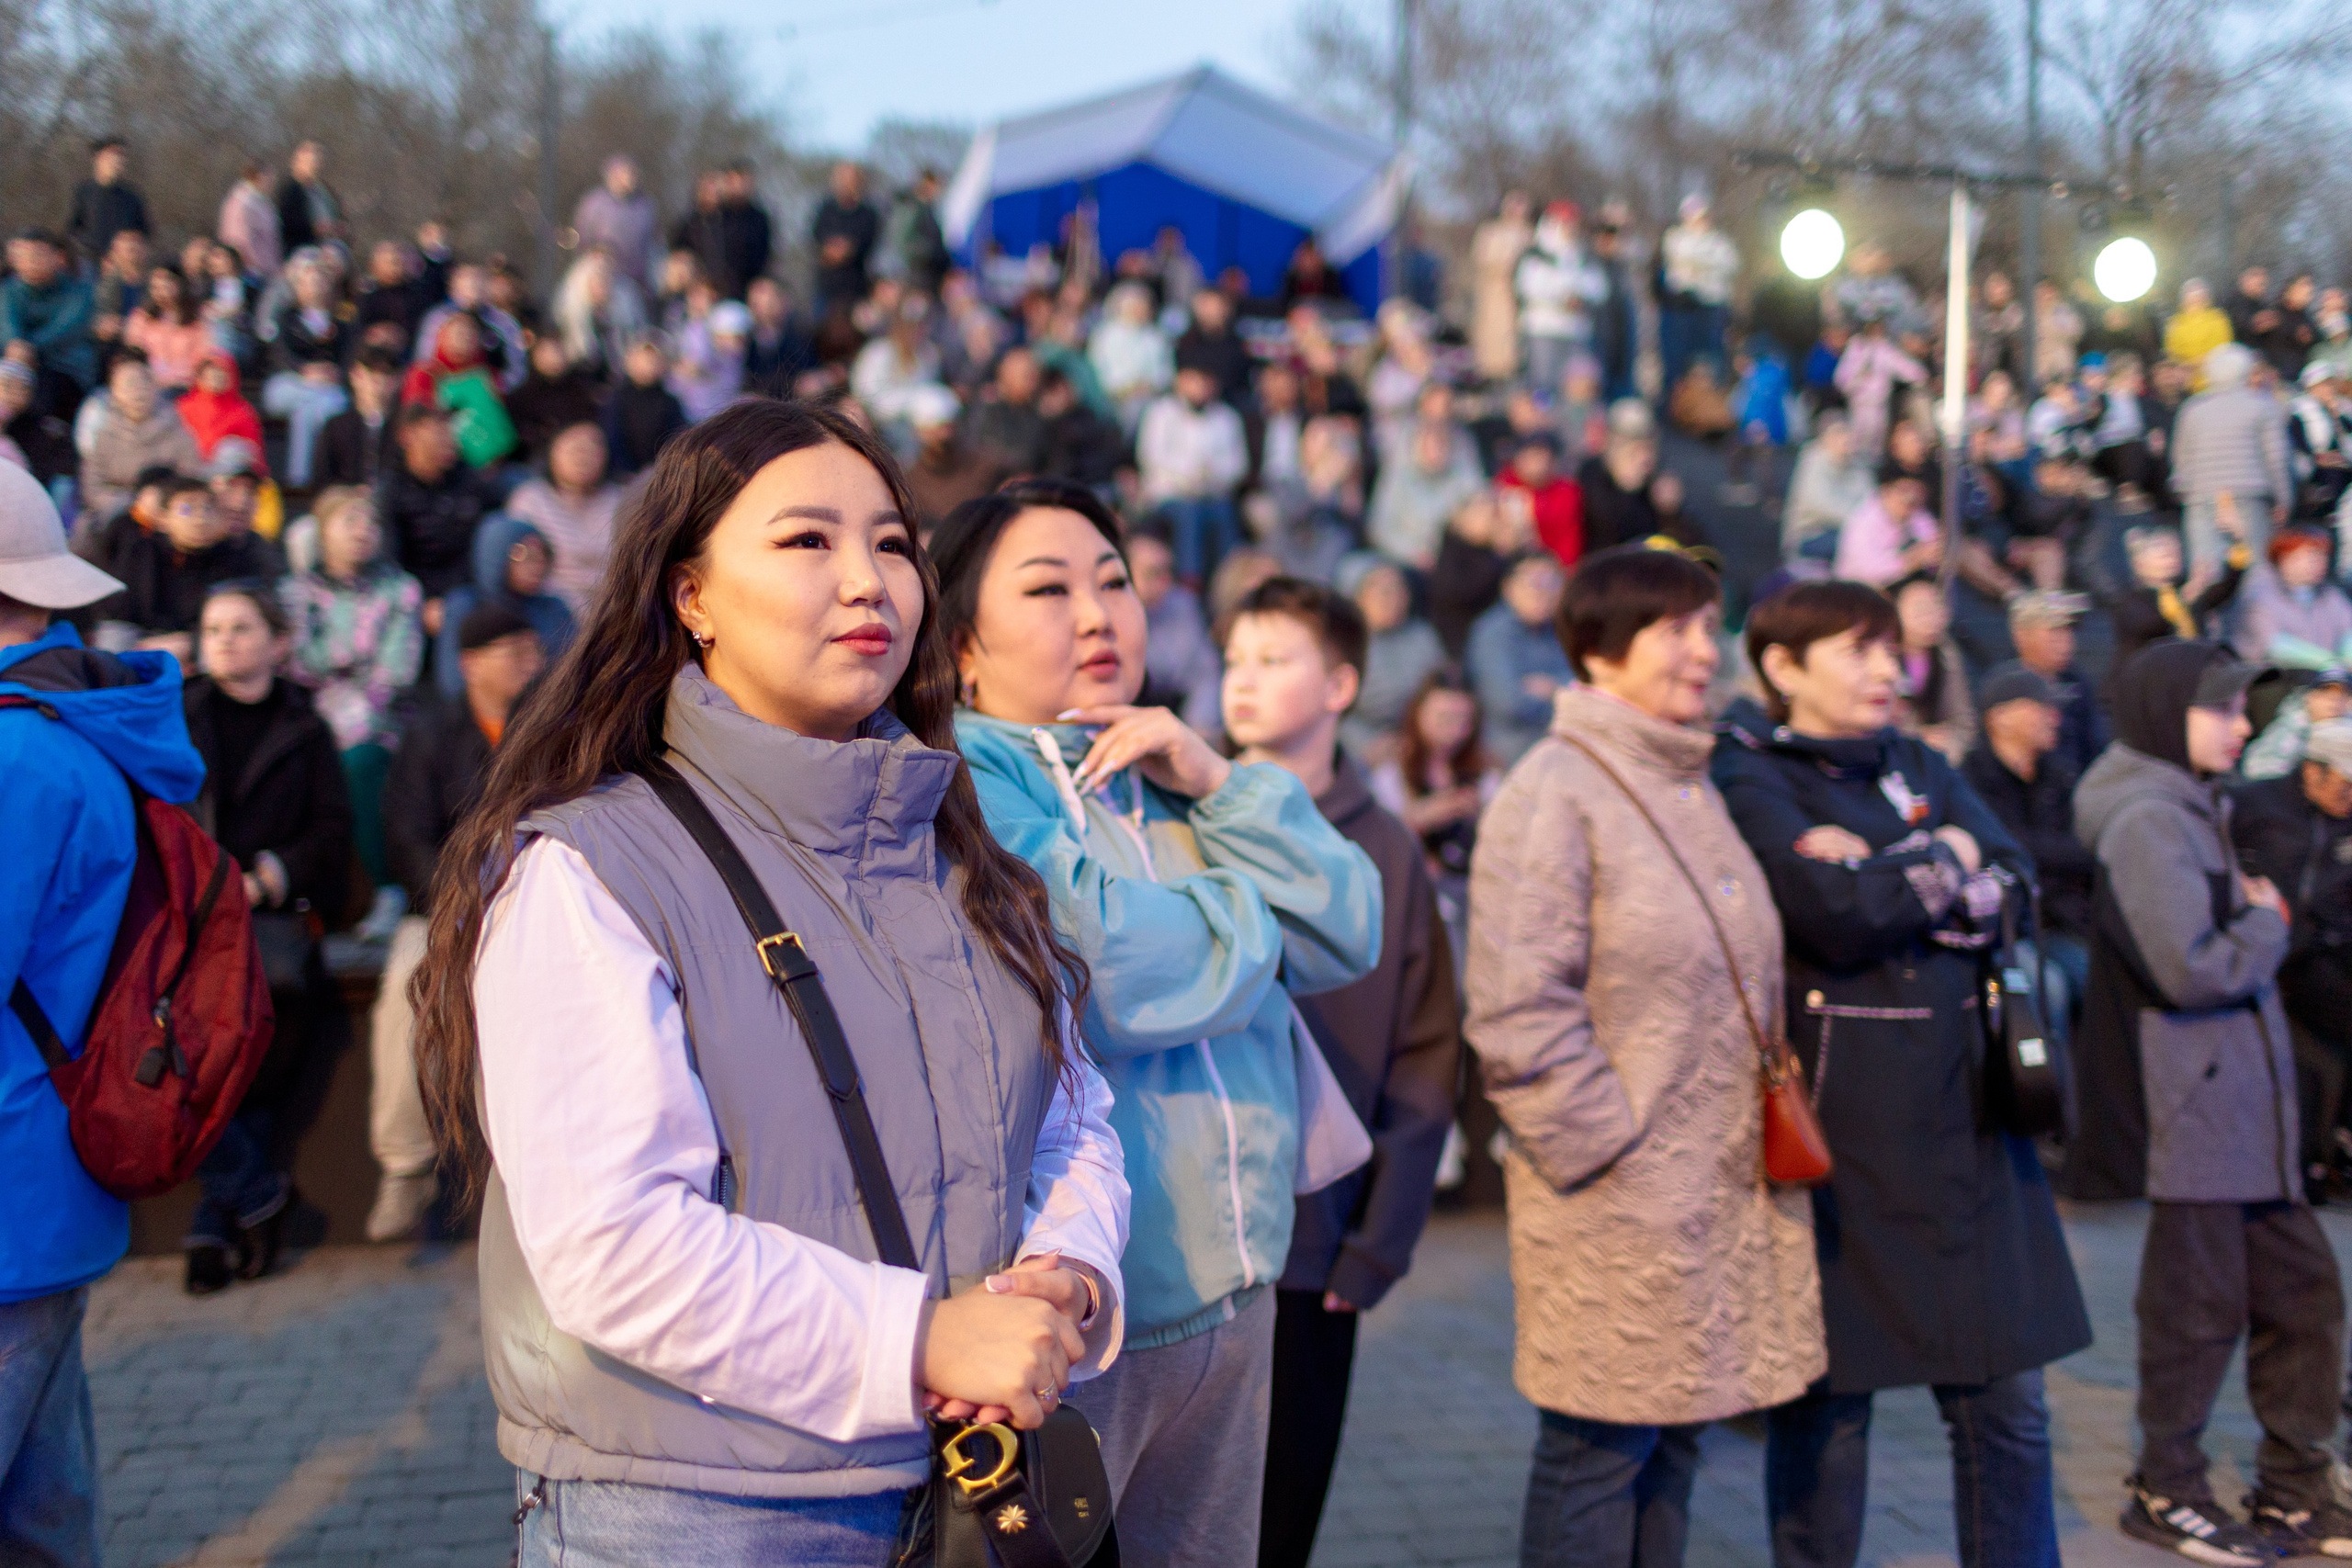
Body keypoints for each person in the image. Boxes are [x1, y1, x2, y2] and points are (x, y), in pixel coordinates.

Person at [405, 401, 1129, 1560]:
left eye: (891, 543)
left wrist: (1067, 1271)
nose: (868, 580)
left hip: (953, 1480)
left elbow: (1071, 1111)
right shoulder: (593, 866)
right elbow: (615, 1242)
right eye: (806, 541)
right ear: (690, 595)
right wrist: (916, 1341)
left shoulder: (951, 843)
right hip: (694, 1513)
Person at [935, 478, 1379, 1567]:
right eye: (1048, 589)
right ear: (962, 648)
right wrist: (1255, 913)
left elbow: (1349, 926)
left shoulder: (1167, 772)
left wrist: (1217, 778)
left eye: (1114, 582)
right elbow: (1105, 966)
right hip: (1079, 1313)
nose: (1097, 615)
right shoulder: (966, 783)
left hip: (1238, 1287)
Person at [1716, 580, 2090, 1568]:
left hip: (1970, 1122)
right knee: (1828, 1416)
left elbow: (2012, 877)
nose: (1890, 668)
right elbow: (1829, 911)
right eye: (1860, 649)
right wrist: (1937, 860)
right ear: (1783, 666)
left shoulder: (1917, 758)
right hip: (1843, 1130)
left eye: (1892, 649)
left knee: (2009, 1403)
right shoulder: (1747, 768)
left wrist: (1902, 867)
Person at [1472, 545, 1826, 1568]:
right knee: (1598, 1452)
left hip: (1710, 1189)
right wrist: (1613, 1153)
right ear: (1599, 650)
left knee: (1674, 1440)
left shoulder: (1686, 777)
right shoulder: (1554, 788)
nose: (1703, 650)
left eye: (1708, 626)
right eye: (1673, 630)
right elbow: (1517, 1010)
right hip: (1620, 1200)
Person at [2064, 640, 2349, 1560]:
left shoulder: (2191, 802)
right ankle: (2167, 1487)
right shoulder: (2150, 817)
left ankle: (2295, 1492)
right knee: (2196, 1311)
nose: (2241, 728)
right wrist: (2267, 922)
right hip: (2195, 1106)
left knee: (2303, 1296)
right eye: (2222, 709)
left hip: (2244, 1111)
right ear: (2165, 711)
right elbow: (2192, 969)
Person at [1218, 579, 1462, 1568]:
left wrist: (1377, 1246)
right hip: (1185, 1245)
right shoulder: (1176, 809)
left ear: (1341, 685)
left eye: (1274, 659)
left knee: (1281, 1522)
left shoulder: (1383, 846)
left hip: (1315, 1252)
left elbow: (1425, 1055)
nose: (1243, 680)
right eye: (1235, 659)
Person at [0, 464, 203, 1566]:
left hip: (9, 1185)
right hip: (44, 1178)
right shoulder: (67, 729)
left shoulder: (13, 753)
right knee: (45, 1517)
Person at [178, 583, 354, 1291]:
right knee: (187, 1060)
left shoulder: (305, 728)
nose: (223, 640)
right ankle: (254, 1196)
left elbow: (331, 830)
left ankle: (218, 1219)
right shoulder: (176, 717)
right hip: (190, 915)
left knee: (253, 1047)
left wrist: (271, 875)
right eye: (213, 628)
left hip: (269, 918)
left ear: (277, 643)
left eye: (240, 627)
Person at [368, 602, 543, 1239]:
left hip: (537, 903)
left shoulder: (553, 725)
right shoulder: (433, 732)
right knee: (405, 990)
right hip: (445, 908)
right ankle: (406, 1167)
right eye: (512, 652)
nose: (529, 662)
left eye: (532, 649)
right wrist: (461, 903)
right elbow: (407, 834)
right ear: (469, 665)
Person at [279, 486, 424, 895]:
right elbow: (298, 663)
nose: (364, 530)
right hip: (308, 713)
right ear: (322, 531)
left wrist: (337, 671)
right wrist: (347, 665)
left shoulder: (400, 590)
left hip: (379, 717)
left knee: (359, 758)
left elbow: (396, 671)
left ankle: (379, 889)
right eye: (351, 520)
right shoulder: (295, 592)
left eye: (372, 522)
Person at [2232, 717, 2352, 1197]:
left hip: (2322, 954)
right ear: (2312, 771)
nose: (2350, 796)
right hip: (2256, 950)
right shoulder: (2254, 803)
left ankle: (2334, 1151)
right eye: (2344, 783)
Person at [1961, 664, 2097, 1035]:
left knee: (2104, 976)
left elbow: (2083, 851)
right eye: (2040, 707)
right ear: (2000, 718)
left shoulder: (2060, 775)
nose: (2055, 717)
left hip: (2064, 922)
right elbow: (2005, 849)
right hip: (2005, 928)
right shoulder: (1970, 779)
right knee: (2049, 988)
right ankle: (2046, 1075)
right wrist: (2063, 855)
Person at [100, 476, 275, 663]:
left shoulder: (236, 558)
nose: (200, 519)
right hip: (142, 643)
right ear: (163, 518)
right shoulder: (141, 552)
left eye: (208, 509)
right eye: (187, 509)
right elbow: (120, 615)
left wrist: (192, 643)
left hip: (204, 647)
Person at [2174, 344, 2291, 589]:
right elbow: (2277, 458)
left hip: (2201, 496)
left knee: (2205, 572)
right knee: (2255, 571)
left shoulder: (2192, 408)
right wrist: (2284, 498)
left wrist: (2185, 491)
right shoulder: (2263, 405)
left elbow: (2181, 458)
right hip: (2250, 494)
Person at [432, 515, 575, 698]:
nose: (537, 564)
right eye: (525, 554)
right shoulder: (465, 605)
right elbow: (452, 682)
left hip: (547, 706)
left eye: (543, 555)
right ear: (495, 554)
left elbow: (573, 670)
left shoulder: (554, 608)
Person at [377, 405, 497, 612]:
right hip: (415, 596)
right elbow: (391, 560)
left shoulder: (470, 481)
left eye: (451, 431)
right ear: (408, 436)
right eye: (439, 432)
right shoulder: (391, 492)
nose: (450, 440)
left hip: (471, 588)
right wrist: (426, 601)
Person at [1136, 365, 1249, 585]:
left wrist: (1210, 475)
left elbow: (1237, 466)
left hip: (1212, 495)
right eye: (1195, 379)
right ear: (1180, 380)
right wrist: (1191, 475)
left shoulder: (1226, 417)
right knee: (1189, 515)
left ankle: (1228, 585)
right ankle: (1189, 587)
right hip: (1168, 496)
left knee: (1225, 513)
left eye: (1207, 380)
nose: (1201, 386)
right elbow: (1151, 458)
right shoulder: (1160, 412)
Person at [503, 421, 622, 615]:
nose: (583, 456)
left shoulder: (621, 500)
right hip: (551, 611)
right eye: (575, 448)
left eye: (593, 447)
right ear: (553, 452)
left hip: (614, 609)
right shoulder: (530, 500)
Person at [1467, 551, 1574, 765]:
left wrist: (1553, 689)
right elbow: (1509, 704)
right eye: (1534, 582)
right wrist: (1563, 694)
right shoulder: (1492, 633)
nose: (1543, 592)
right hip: (1509, 754)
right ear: (1508, 587)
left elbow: (1586, 688)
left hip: (1561, 747)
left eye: (1552, 582)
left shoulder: (1564, 628)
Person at [74, 351, 200, 533]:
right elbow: (92, 488)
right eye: (129, 385)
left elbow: (192, 479)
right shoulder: (104, 436)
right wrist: (132, 505)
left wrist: (162, 504)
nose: (138, 391)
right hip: (116, 514)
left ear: (156, 388)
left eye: (144, 383)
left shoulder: (178, 431)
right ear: (115, 393)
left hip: (168, 513)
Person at [2104, 525, 2246, 682]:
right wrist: (2186, 597)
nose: (2172, 557)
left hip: (2191, 676)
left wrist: (2236, 542)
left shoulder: (2183, 591)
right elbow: (2150, 625)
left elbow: (2225, 590)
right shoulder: (2131, 599)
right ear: (2139, 563)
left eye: (2175, 552)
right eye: (2164, 554)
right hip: (2148, 682)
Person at [260, 251, 353, 488]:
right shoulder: (285, 317)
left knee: (308, 412)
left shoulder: (343, 324)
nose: (316, 286)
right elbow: (279, 354)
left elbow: (349, 358)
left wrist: (334, 373)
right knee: (316, 402)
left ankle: (300, 480)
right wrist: (305, 370)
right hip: (288, 384)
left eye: (321, 281)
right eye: (310, 281)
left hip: (326, 389)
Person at [1341, 558, 1445, 762]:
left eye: (1399, 589)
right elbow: (1331, 709)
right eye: (1382, 591)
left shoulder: (1422, 636)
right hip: (1366, 749)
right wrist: (1366, 744)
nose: (1393, 598)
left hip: (1424, 740)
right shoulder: (1344, 644)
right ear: (1356, 597)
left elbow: (1442, 688)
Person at [1128, 524, 1222, 734]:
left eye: (1168, 571)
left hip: (1182, 723)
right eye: (1152, 573)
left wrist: (1196, 732)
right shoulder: (1111, 614)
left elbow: (1205, 674)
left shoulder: (1183, 605)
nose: (1165, 582)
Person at [2007, 590, 2108, 780]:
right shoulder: (2006, 689)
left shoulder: (2077, 681)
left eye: (2069, 631)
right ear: (2022, 635)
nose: (2066, 641)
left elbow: (2096, 746)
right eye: (2055, 631)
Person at [1514, 203, 1605, 399]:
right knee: (1543, 385)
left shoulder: (1583, 255)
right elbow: (1528, 286)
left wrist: (1581, 299)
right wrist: (1562, 297)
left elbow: (1599, 288)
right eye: (1565, 223)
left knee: (1576, 385)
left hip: (1576, 330)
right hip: (1543, 330)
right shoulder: (1536, 254)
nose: (1570, 228)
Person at [1577, 402, 1696, 552]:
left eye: (1647, 445)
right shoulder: (1591, 474)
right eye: (1633, 446)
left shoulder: (1657, 479)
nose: (1643, 455)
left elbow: (1684, 541)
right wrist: (1626, 484)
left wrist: (1670, 513)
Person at [3, 229, 96, 415]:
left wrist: (27, 349)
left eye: (37, 255)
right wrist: (16, 346)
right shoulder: (8, 291)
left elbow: (62, 330)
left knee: (41, 393)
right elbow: (7, 327)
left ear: (58, 257)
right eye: (22, 256)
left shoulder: (79, 292)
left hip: (62, 366)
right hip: (15, 364)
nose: (30, 262)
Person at [1657, 195, 1739, 397]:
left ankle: (1710, 402)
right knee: (1677, 366)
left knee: (1711, 362)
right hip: (1681, 309)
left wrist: (1697, 266)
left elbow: (1731, 263)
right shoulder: (1676, 238)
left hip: (1711, 309)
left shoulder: (1718, 241)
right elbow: (1677, 263)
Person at [1887, 574, 1973, 763]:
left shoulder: (1947, 654)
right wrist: (1918, 738)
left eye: (1937, 608)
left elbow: (1963, 718)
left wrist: (1952, 744)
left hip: (1941, 752)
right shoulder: (1885, 657)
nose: (1931, 618)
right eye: (1921, 611)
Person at [2235, 526, 2352, 664]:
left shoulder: (2330, 595)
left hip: (2330, 674)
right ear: (2286, 559)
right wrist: (2329, 663)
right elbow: (2272, 645)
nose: (2321, 562)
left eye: (2323, 556)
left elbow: (2348, 632)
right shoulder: (2260, 594)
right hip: (2277, 675)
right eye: (2312, 556)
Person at [1781, 415, 1870, 570]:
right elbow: (1821, 506)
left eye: (1848, 433)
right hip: (1812, 533)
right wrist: (1862, 522)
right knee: (1856, 546)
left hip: (1849, 529)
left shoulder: (1858, 464)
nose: (1846, 439)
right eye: (1839, 434)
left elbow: (1870, 499)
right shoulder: (1813, 461)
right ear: (1826, 438)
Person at [317, 345, 403, 490]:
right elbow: (323, 481)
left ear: (398, 380)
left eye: (386, 375)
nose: (379, 383)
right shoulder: (336, 427)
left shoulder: (404, 428)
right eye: (372, 374)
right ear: (355, 376)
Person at [601, 334, 688, 478]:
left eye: (654, 361)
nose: (650, 366)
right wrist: (626, 471)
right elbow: (613, 438)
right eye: (645, 361)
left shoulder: (669, 401)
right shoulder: (617, 399)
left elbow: (676, 436)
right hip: (624, 477)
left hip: (661, 473)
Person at [2246, 667, 2350, 782]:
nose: (2334, 699)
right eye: (2325, 691)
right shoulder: (2291, 727)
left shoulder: (2347, 729)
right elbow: (2260, 771)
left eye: (2342, 693)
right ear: (2309, 696)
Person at [571, 154, 658, 288]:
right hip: (597, 275)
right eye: (624, 173)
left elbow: (651, 242)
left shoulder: (645, 207)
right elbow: (583, 236)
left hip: (632, 279)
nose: (630, 178)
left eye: (632, 173)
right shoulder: (594, 202)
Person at [1472, 194, 1532, 383]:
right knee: (1496, 350)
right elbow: (1484, 261)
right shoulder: (1491, 232)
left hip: (1522, 302)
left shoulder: (1529, 234)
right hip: (1496, 298)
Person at [810, 162, 881, 315]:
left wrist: (845, 250)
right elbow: (816, 239)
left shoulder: (868, 214)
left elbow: (864, 244)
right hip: (826, 288)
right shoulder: (825, 210)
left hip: (855, 289)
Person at [274, 140, 343, 254]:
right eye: (311, 162)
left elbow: (339, 214)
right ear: (298, 162)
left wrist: (338, 227)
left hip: (327, 248)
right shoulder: (290, 190)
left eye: (318, 162)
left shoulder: (323, 190)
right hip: (301, 251)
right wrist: (314, 228)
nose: (315, 167)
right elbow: (285, 222)